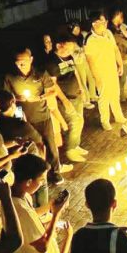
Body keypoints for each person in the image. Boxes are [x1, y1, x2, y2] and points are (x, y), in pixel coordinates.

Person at [4, 46, 67, 184]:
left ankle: (54, 173)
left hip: (42, 115)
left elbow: (52, 91)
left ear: (31, 59)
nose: (20, 65)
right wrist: (19, 99)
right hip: (23, 118)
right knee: (31, 147)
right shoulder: (10, 77)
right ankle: (35, 175)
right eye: (17, 62)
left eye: (23, 61)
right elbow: (7, 98)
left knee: (50, 146)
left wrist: (39, 98)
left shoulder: (40, 73)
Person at [44, 32, 86, 163]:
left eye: (72, 48)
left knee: (80, 121)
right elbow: (53, 84)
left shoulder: (69, 57)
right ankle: (70, 150)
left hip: (76, 95)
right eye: (67, 48)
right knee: (74, 122)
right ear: (58, 45)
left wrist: (81, 88)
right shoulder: (52, 63)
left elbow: (75, 73)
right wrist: (65, 101)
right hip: (65, 98)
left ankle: (75, 145)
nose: (70, 51)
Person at [85, 11, 127, 131]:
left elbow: (115, 50)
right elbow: (90, 61)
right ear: (95, 23)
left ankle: (118, 116)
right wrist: (97, 78)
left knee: (115, 94)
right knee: (104, 97)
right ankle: (105, 121)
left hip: (112, 70)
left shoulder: (108, 33)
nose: (105, 24)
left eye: (106, 21)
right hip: (101, 73)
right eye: (103, 21)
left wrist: (120, 65)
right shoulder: (89, 40)